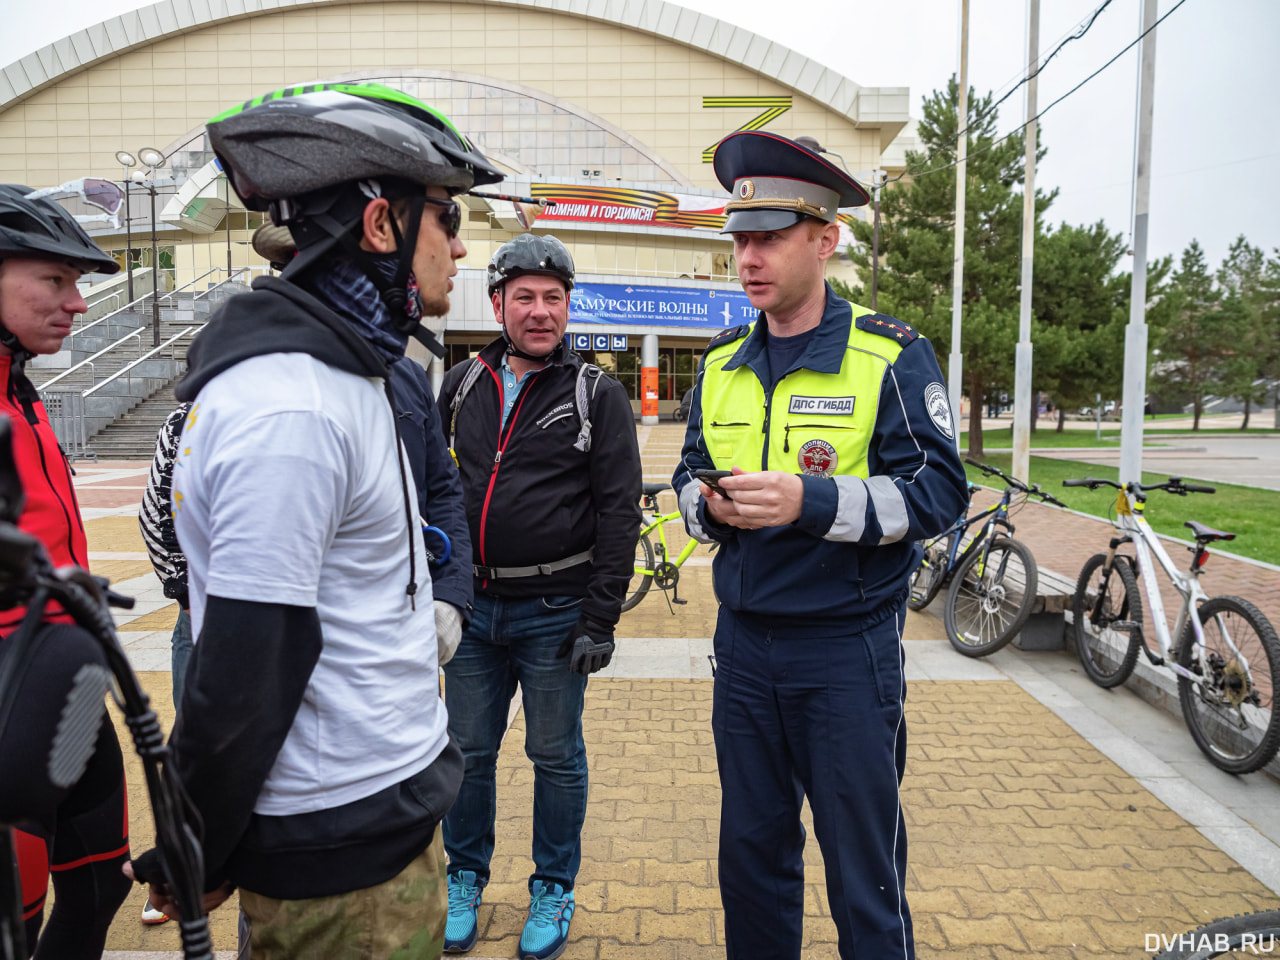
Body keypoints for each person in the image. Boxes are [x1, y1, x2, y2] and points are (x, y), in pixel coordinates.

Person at [124, 82, 503, 958]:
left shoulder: (349, 375)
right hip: (339, 855)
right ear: (381, 227)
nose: (460, 241)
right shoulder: (289, 408)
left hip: (380, 817)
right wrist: (198, 846)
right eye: (446, 216)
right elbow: (245, 664)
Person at [673, 131, 969, 960]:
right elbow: (688, 478)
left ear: (825, 239)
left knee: (863, 876)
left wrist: (813, 501)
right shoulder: (722, 362)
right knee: (752, 865)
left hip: (846, 651)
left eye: (768, 237)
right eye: (739, 239)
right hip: (744, 649)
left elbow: (941, 494)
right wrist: (707, 507)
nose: (748, 257)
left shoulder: (890, 355)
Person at [438, 233, 641, 960]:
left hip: (556, 613)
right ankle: (463, 877)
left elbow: (621, 513)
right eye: (524, 295)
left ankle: (553, 887)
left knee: (556, 756)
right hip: (471, 609)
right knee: (466, 751)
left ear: (567, 306)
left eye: (553, 297)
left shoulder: (597, 393)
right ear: (496, 303)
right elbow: (434, 491)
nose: (540, 310)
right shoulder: (461, 383)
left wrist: (601, 618)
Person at [0, 184, 134, 957]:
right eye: (54, 280)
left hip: (72, 687)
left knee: (100, 876)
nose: (78, 303)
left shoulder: (26, 391)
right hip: (7, 696)